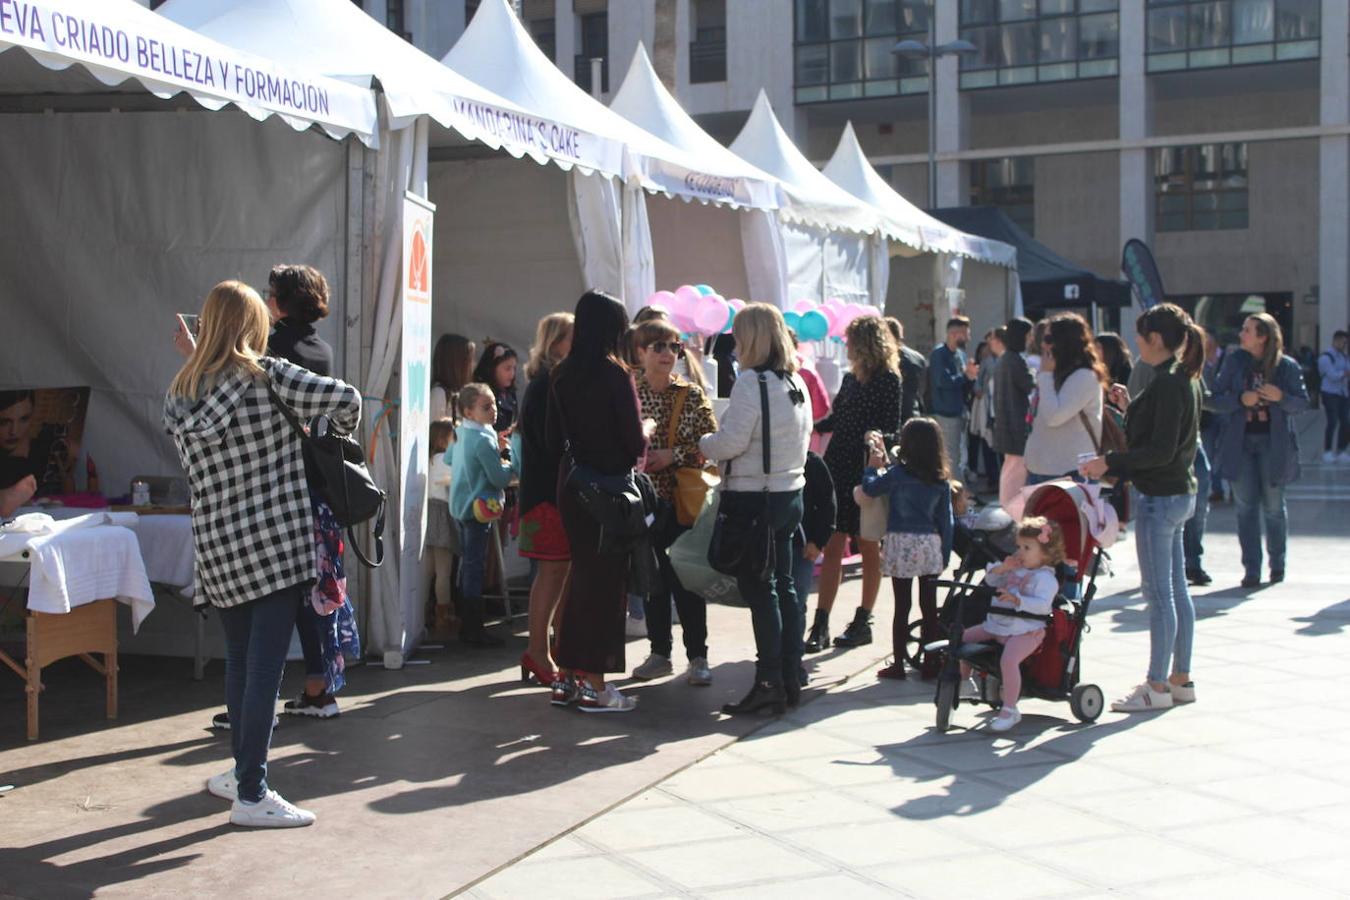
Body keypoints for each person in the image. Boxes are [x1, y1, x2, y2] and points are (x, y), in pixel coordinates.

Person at [166, 280, 360, 828]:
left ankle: (238, 772)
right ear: (254, 326)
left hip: (219, 548)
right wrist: (318, 430)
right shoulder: (271, 376)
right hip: (274, 545)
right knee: (266, 671)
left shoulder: (181, 389)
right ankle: (251, 793)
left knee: (240, 663)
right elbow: (348, 400)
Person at [1079, 303, 1204, 712]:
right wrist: (1131, 406)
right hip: (1177, 493)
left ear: (1155, 339)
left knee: (1160, 596)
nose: (1135, 342)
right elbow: (1162, 437)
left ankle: (1156, 685)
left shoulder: (1169, 381)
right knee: (1176, 592)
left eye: (1141, 335)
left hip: (1161, 496)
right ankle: (1179, 678)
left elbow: (1158, 450)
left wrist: (1108, 463)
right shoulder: (1180, 377)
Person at [699, 304, 813, 715]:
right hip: (788, 494)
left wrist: (704, 444)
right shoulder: (794, 381)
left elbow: (731, 443)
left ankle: (768, 681)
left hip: (754, 499)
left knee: (761, 591)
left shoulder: (752, 382)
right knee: (784, 588)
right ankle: (786, 674)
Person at [546, 290, 648, 713]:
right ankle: (595, 683)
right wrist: (645, 436)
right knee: (605, 586)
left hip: (572, 485)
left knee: (580, 580)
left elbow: (551, 438)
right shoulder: (614, 375)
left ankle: (569, 676)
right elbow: (630, 442)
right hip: (607, 491)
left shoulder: (561, 374)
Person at [264, 264, 356, 720]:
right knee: (317, 587)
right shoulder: (322, 349)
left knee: (283, 591)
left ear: (280, 300)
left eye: (270, 292)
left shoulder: (275, 347)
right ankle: (319, 684)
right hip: (319, 483)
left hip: (284, 483)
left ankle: (267, 693)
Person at [628, 317, 718, 687]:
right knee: (653, 580)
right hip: (641, 502)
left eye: (674, 346)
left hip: (681, 501)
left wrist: (673, 455)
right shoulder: (628, 391)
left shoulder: (691, 394)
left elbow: (710, 445)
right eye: (659, 346)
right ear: (641, 352)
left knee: (687, 579)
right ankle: (659, 652)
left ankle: (697, 655)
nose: (668, 354)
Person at [808, 316, 902, 652]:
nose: (845, 346)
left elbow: (893, 428)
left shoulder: (888, 379)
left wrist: (875, 439)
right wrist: (809, 420)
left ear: (863, 342)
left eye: (849, 340)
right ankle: (820, 621)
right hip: (837, 466)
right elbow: (836, 419)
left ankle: (864, 619)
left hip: (865, 470)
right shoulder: (849, 379)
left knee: (868, 544)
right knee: (832, 543)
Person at [1210, 312, 1310, 588]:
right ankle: (1251, 569)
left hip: (1273, 444)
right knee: (1245, 508)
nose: (1241, 334)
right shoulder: (1233, 362)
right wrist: (1241, 398)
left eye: (1247, 330)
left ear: (1263, 337)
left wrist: (1281, 397)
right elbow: (1215, 399)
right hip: (1240, 444)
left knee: (1274, 508)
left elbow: (1302, 403)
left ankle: (1277, 565)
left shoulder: (1286, 366)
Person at [860, 417, 953, 681]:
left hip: (901, 541)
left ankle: (898, 664)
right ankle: (930, 661)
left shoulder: (898, 475)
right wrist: (944, 553)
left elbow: (871, 488)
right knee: (929, 607)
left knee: (902, 606)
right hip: (929, 544)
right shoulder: (940, 480)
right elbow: (946, 521)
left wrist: (871, 467)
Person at [958, 516, 1063, 732]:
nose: (1020, 552)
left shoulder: (1045, 578)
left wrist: (1018, 600)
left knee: (1009, 660)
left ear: (1045, 553)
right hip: (998, 623)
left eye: (1027, 548)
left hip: (1026, 631)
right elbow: (991, 581)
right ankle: (966, 681)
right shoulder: (1014, 568)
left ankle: (1010, 709)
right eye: (1019, 547)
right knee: (962, 639)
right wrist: (1002, 569)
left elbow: (1043, 606)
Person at [516, 312, 574, 686]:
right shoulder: (546, 385)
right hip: (547, 496)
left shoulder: (553, 382)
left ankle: (551, 650)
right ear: (556, 343)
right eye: (574, 337)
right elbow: (549, 444)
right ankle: (538, 651)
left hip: (555, 494)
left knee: (561, 573)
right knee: (552, 572)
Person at [448, 383, 517, 646]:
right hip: (477, 509)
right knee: (475, 567)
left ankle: (468, 625)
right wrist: (513, 463)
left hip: (459, 505)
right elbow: (499, 478)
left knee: (468, 564)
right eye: (486, 407)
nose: (494, 411)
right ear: (468, 411)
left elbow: (449, 460)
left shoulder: (462, 432)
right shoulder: (483, 440)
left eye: (494, 405)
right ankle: (473, 629)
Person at [1024, 313, 1106, 484]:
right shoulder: (1053, 372)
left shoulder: (1084, 376)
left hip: (1069, 472)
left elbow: (1054, 417)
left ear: (1064, 341)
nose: (1043, 344)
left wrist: (1045, 376)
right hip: (1040, 469)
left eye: (1048, 338)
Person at [793, 450, 835, 686]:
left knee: (797, 605)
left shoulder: (813, 464)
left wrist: (818, 540)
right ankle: (773, 660)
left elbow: (828, 505)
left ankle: (793, 662)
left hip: (802, 547)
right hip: (771, 544)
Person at [992, 317, 1034, 508]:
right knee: (1015, 471)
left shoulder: (1004, 359)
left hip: (1005, 421)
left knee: (1009, 469)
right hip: (1016, 423)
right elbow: (1028, 385)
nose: (1031, 339)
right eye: (1029, 335)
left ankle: (1007, 505)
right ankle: (1011, 507)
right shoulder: (1016, 360)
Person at [928, 316, 977, 479]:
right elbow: (943, 381)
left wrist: (971, 377)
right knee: (951, 456)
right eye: (965, 333)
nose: (968, 337)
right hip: (946, 413)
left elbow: (964, 382)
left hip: (960, 411)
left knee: (960, 455)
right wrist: (965, 375)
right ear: (955, 334)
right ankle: (957, 494)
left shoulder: (961, 355)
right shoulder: (938, 355)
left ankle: (960, 490)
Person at [425, 418, 459, 639]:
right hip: (441, 514)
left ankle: (429, 611)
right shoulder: (443, 460)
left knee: (430, 571)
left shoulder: (428, 460)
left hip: (428, 514)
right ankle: (443, 614)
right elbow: (455, 480)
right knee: (444, 571)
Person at [885, 317, 928, 424]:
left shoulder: (885, 359)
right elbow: (923, 388)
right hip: (914, 412)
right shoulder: (918, 358)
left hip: (893, 416)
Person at [472, 340, 520, 434]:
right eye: (507, 368)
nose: (512, 374)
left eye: (514, 368)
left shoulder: (510, 394)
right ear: (492, 369)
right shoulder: (481, 394)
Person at [1318, 330, 1350, 462]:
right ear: (1335, 340)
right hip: (1330, 393)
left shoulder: (1344, 357)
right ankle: (1328, 451)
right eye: (1342, 341)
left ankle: (1341, 450)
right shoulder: (1325, 357)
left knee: (1346, 422)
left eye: (1345, 342)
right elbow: (1331, 375)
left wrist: (1344, 373)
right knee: (1332, 421)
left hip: (1343, 393)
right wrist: (1344, 374)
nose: (1343, 345)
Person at [430, 334, 476, 423]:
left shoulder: (460, 393)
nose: (473, 365)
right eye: (470, 360)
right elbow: (434, 432)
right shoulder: (439, 393)